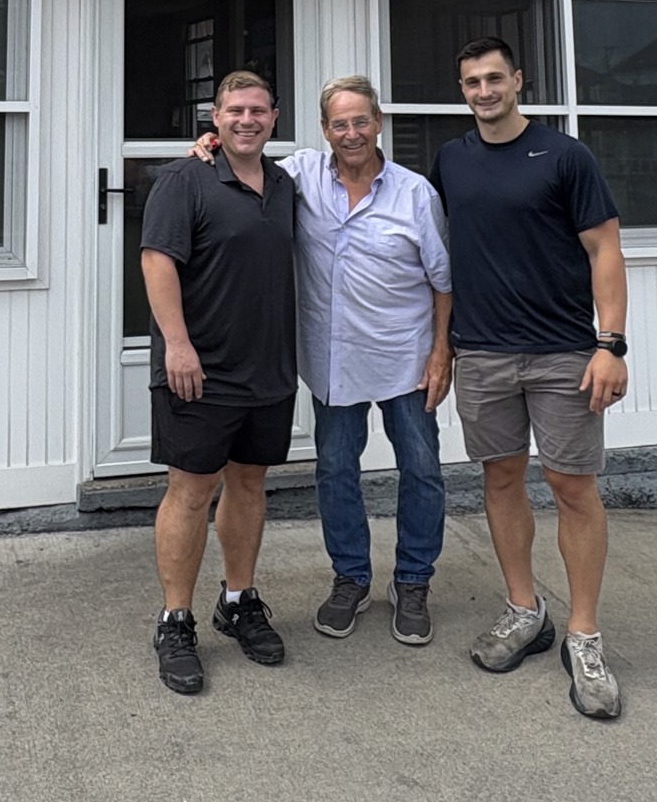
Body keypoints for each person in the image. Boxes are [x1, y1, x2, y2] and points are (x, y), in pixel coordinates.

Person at [194, 76, 453, 645]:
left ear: (379, 123)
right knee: (336, 471)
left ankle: (412, 581)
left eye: (362, 121)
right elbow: (245, 150)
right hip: (332, 357)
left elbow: (442, 280)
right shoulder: (302, 175)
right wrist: (208, 144)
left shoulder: (414, 194)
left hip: (405, 355)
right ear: (324, 129)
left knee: (422, 469)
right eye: (340, 123)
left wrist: (441, 351)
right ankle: (351, 579)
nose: (352, 133)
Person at [431, 36, 629, 721]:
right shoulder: (451, 161)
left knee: (574, 487)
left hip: (563, 354)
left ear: (519, 80)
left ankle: (584, 633)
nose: (483, 91)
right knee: (500, 479)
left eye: (493, 78)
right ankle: (524, 610)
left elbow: (605, 250)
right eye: (470, 81)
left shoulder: (565, 156)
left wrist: (611, 345)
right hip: (483, 354)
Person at [139, 70, 300, 696]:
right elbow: (157, 261)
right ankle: (175, 621)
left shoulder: (286, 183)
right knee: (190, 489)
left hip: (267, 368)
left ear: (274, 118)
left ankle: (238, 600)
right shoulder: (186, 179)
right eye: (235, 110)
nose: (247, 120)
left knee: (250, 482)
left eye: (258, 110)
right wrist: (177, 344)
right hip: (198, 369)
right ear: (215, 115)